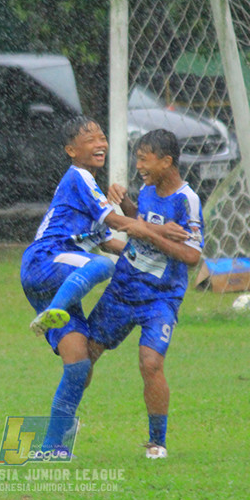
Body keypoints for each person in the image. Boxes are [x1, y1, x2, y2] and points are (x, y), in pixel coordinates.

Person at [20, 116, 187, 453]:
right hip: (45, 261)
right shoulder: (78, 177)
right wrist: (161, 230)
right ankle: (53, 312)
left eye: (101, 137)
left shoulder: (89, 189)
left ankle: (53, 447)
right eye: (90, 139)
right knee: (101, 265)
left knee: (79, 364)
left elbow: (115, 240)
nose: (100, 143)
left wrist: (164, 254)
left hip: (59, 278)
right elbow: (116, 221)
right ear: (71, 150)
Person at [87, 129, 204, 459]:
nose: (138, 165)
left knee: (150, 363)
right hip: (123, 289)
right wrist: (124, 204)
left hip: (160, 299)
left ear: (166, 162)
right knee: (84, 355)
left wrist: (147, 234)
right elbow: (143, 222)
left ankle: (157, 442)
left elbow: (193, 256)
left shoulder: (187, 200)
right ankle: (64, 426)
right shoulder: (150, 189)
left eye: (143, 158)